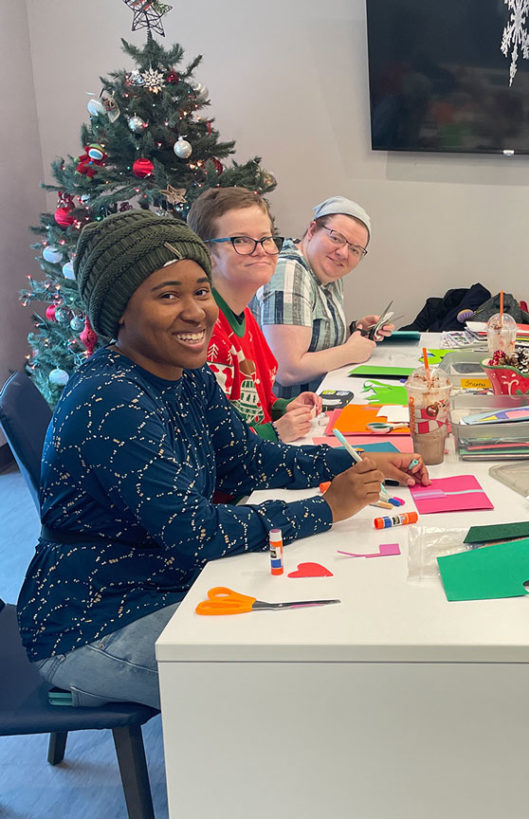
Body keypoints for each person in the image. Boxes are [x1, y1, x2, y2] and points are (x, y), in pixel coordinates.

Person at [17, 210, 428, 709]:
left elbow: (248, 461)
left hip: (165, 581)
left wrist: (350, 464)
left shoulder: (183, 372)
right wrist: (326, 509)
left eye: (200, 290)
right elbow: (198, 534)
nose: (196, 312)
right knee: (300, 685)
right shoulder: (112, 398)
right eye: (168, 295)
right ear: (117, 312)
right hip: (95, 622)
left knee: (330, 637)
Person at [187, 187, 320, 442]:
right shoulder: (202, 330)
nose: (261, 250)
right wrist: (274, 432)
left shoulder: (245, 316)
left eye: (266, 238)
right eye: (241, 240)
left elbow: (253, 402)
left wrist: (283, 407)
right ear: (208, 253)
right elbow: (205, 440)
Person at [252, 195, 392, 398]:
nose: (343, 253)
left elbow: (315, 341)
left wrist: (356, 330)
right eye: (336, 238)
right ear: (312, 230)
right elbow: (286, 370)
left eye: (355, 249)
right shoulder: (289, 272)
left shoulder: (327, 272)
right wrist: (350, 352)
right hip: (285, 413)